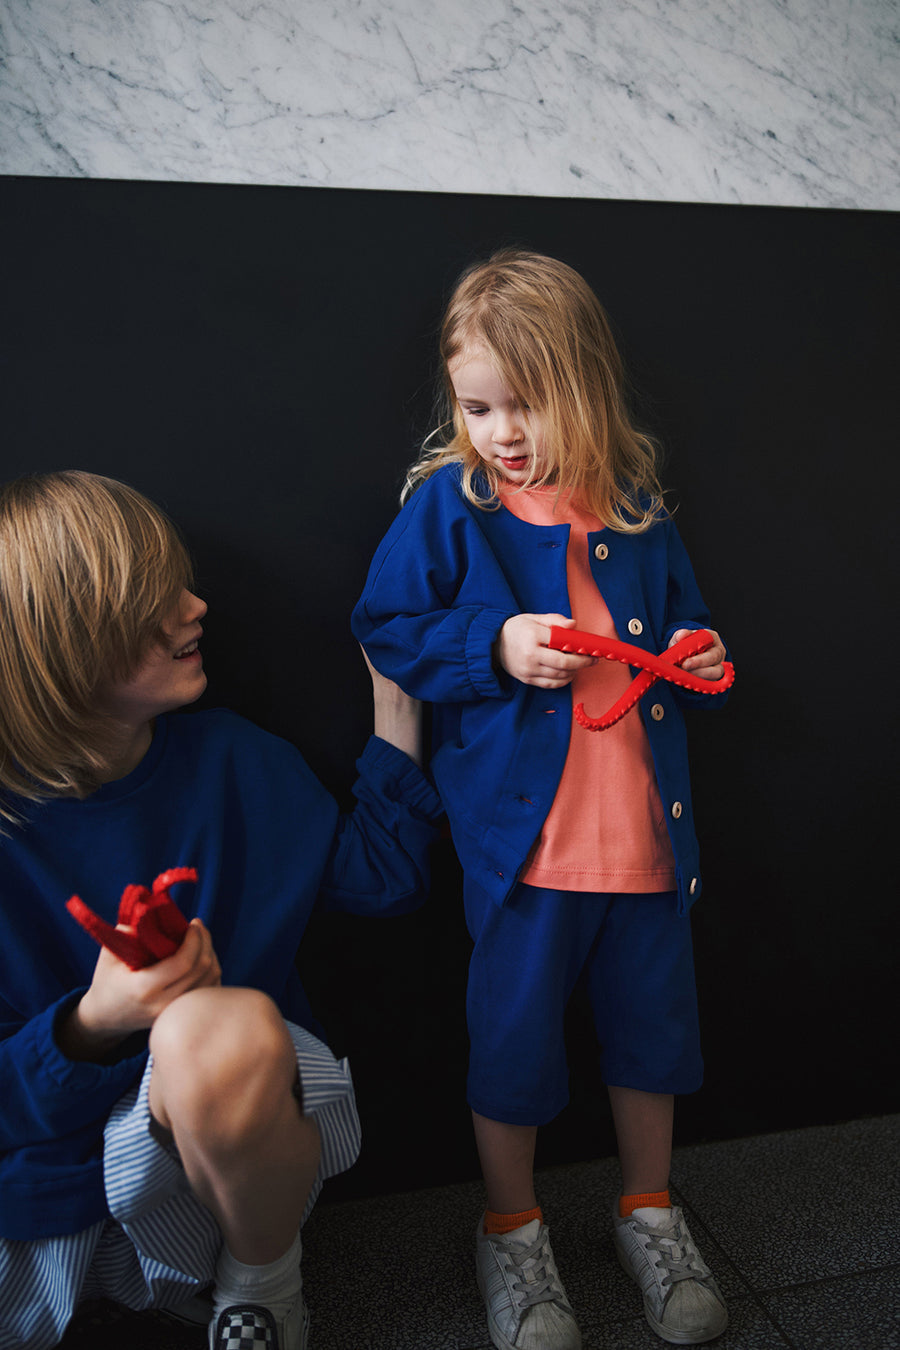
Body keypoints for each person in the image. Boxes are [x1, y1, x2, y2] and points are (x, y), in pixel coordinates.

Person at [352, 250, 731, 1348]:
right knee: (511, 1047)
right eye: (479, 406)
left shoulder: (637, 508)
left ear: (588, 390)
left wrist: (697, 655)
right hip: (524, 855)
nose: (503, 431)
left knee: (652, 1041)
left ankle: (647, 1211)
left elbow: (685, 630)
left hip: (649, 851)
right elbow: (388, 627)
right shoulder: (451, 510)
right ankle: (512, 1231)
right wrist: (495, 643)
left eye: (530, 402)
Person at [0, 470, 441, 1350]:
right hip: (39, 1195)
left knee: (212, 1028)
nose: (196, 607)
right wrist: (93, 1022)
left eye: (181, 583)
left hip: (223, 1168)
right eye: (152, 603)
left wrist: (399, 708)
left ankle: (265, 1289)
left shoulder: (236, 762)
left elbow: (381, 879)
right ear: (64, 647)